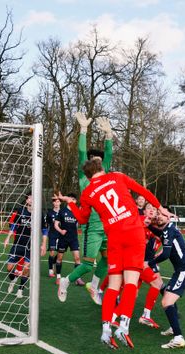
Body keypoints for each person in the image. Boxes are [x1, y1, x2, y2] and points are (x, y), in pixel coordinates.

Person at [57, 158, 173, 349]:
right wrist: (160, 208)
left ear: (88, 176)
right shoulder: (117, 176)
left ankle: (105, 330)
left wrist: (71, 204)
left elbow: (83, 219)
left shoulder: (87, 193)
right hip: (134, 233)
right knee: (131, 283)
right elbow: (143, 192)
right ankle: (123, 327)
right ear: (102, 168)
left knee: (113, 286)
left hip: (114, 238)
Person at [63, 113, 114, 305]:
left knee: (108, 260)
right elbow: (81, 153)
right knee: (86, 265)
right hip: (91, 227)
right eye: (94, 160)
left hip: (107, 225)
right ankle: (65, 281)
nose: (98, 163)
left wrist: (108, 135)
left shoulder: (105, 174)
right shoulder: (84, 177)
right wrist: (83, 130)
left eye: (100, 161)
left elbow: (109, 155)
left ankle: (93, 286)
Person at [147, 209, 185, 349]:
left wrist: (149, 263)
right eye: (158, 214)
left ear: (169, 217)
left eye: (163, 214)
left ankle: (178, 338)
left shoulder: (169, 230)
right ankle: (174, 328)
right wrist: (148, 225)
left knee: (166, 301)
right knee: (167, 295)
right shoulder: (168, 229)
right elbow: (159, 234)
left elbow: (166, 254)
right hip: (181, 270)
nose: (159, 217)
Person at [4, 193, 47, 298]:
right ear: (27, 200)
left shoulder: (39, 214)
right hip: (18, 244)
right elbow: (14, 225)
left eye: (34, 197)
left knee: (26, 269)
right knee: (9, 268)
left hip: (31, 246)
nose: (32, 199)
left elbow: (44, 229)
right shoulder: (20, 211)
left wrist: (43, 244)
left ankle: (20, 290)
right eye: (30, 198)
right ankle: (13, 279)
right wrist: (8, 237)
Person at [54, 193, 82, 285]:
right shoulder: (62, 211)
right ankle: (58, 277)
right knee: (59, 258)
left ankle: (77, 278)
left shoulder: (77, 211)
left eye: (74, 199)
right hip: (63, 239)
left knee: (77, 258)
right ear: (67, 200)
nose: (72, 201)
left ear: (76, 201)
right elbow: (56, 224)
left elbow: (81, 222)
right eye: (70, 199)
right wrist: (61, 231)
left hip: (73, 238)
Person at [45, 196, 61, 278]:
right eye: (55, 202)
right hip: (52, 235)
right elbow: (47, 224)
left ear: (60, 203)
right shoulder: (50, 213)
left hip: (61, 235)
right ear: (53, 203)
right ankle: (50, 270)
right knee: (52, 252)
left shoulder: (63, 212)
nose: (56, 203)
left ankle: (54, 264)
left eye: (58, 201)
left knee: (59, 254)